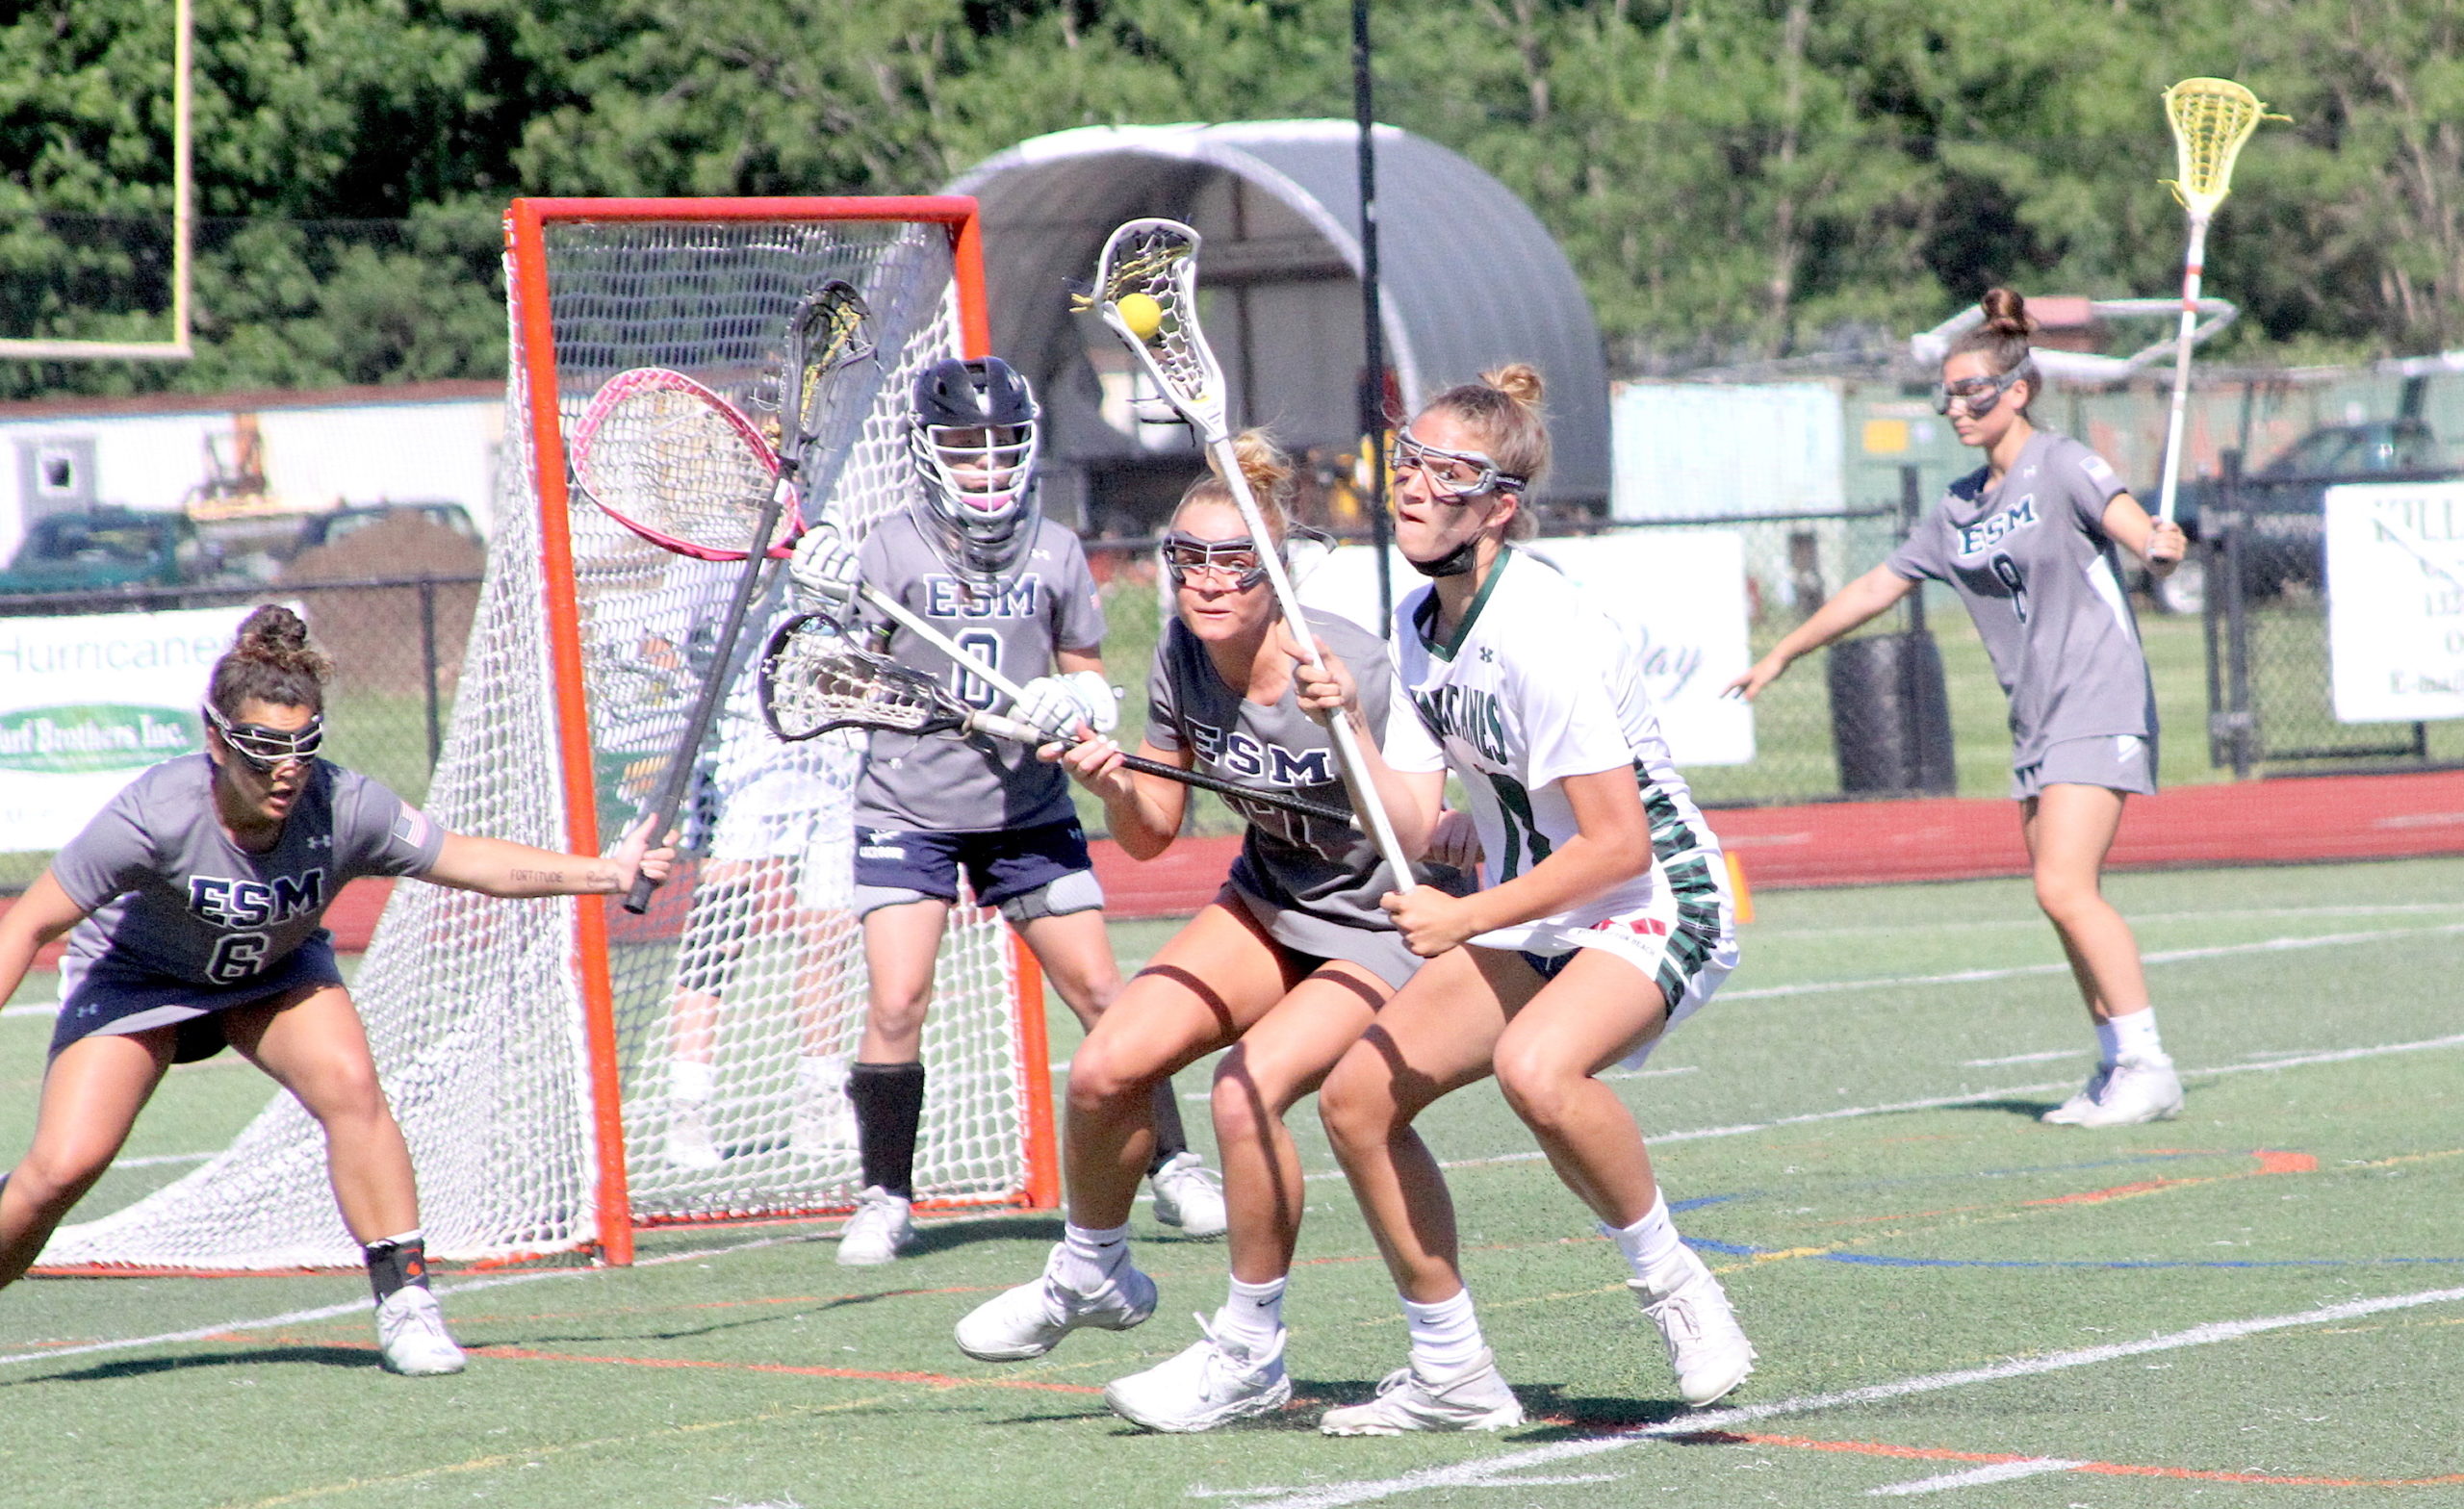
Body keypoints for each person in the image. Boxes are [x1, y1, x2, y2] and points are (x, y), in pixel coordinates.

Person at [0, 606, 674, 1376]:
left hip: (273, 974)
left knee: (352, 1088)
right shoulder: (153, 815)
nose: (286, 771)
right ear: (216, 741)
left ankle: (408, 1304)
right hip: (140, 979)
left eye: (303, 748)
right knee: (62, 1167)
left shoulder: (347, 806)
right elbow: (27, 925)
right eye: (262, 750)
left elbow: (473, 862)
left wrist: (607, 872)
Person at [949, 433, 1453, 1432]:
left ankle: (1251, 1348)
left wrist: (1346, 722)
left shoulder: (1347, 660)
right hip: (1270, 901)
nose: (1207, 581)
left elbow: (1421, 831)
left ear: (1272, 571)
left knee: (1244, 1091)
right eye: (1188, 558)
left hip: (1378, 923)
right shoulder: (1182, 653)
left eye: (1233, 560)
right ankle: (1091, 1270)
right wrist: (1106, 778)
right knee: (1104, 1066)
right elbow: (1151, 835)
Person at [1305, 364, 1754, 1435]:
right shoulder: (1419, 622)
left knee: (1536, 1067)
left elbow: (1615, 842)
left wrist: (1461, 915)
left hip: (1653, 894)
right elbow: (1412, 825)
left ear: (1497, 504)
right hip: (1531, 905)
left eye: (1443, 471)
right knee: (1355, 1098)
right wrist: (1345, 729)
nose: (1409, 485)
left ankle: (1679, 1290)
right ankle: (1451, 1369)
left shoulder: (1540, 627)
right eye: (1406, 460)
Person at [788, 356, 1224, 1265]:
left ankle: (1177, 1165)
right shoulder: (889, 548)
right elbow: (837, 670)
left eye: (1000, 449)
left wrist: (1080, 707)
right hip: (907, 802)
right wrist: (822, 597)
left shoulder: (1058, 550)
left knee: (1106, 994)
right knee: (899, 997)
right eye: (964, 449)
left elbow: (1086, 669)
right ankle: (884, 1195)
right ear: (927, 451)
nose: (985, 467)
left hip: (1026, 805)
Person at [1725, 288, 2190, 1129]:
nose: (1956, 408)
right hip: (2036, 718)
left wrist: (2158, 545)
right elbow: (1877, 585)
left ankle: (2151, 1063)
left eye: (1973, 391)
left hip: (2098, 695)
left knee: (2063, 886)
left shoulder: (2064, 463)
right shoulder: (1958, 507)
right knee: (2057, 898)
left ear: (2017, 391)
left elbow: (2134, 528)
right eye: (1948, 393)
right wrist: (1784, 650)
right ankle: (2119, 1063)